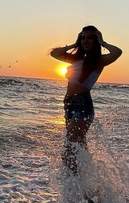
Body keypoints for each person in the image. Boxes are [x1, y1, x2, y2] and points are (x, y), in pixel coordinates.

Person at [50, 26, 122, 173]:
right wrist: (74, 44)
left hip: (82, 104)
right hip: (69, 103)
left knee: (69, 150)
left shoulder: (99, 60)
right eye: (83, 38)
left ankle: (79, 187)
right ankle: (90, 184)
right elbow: (54, 53)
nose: (85, 41)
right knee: (80, 147)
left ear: (95, 40)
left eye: (89, 37)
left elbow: (117, 52)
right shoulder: (76, 59)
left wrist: (103, 42)